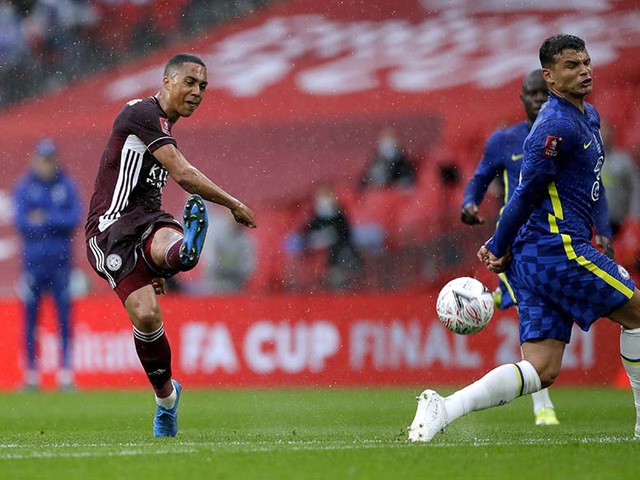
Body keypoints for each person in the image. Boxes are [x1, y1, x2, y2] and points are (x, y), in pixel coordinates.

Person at [409, 34, 640, 442]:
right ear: (550, 77)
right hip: (559, 249)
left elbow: (589, 187)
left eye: (586, 62)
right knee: (639, 315)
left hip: (535, 257)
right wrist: (498, 244)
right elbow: (526, 193)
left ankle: (444, 408)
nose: (584, 70)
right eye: (572, 65)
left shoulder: (589, 116)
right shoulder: (553, 127)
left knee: (542, 367)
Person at [85, 53, 256, 437]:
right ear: (166, 82)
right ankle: (166, 400)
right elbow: (184, 174)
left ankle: (179, 254)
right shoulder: (142, 115)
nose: (197, 92)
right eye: (190, 83)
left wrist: (155, 266)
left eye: (203, 87)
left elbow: (155, 188)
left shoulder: (163, 127)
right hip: (109, 230)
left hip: (147, 220)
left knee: (172, 246)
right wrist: (233, 204)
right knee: (146, 317)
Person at [461, 69, 563, 426]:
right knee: (527, 311)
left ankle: (487, 302)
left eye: (543, 94)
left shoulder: (562, 134)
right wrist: (470, 203)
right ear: (521, 99)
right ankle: (542, 406)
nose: (537, 99)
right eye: (531, 94)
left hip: (559, 240)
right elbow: (479, 178)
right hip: (516, 246)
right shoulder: (504, 141)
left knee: (532, 311)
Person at [13, 138, 82, 390]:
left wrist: (44, 217)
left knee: (64, 318)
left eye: (50, 158)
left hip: (61, 264)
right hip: (33, 265)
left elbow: (73, 218)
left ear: (56, 160)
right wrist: (53, 220)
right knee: (30, 320)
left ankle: (66, 374)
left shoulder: (67, 185)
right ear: (34, 159)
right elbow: (21, 222)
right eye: (42, 159)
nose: (46, 164)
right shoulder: (24, 186)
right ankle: (31, 375)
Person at [301, 183, 362, 289]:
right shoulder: (314, 212)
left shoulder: (338, 212)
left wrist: (331, 235)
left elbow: (345, 231)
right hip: (317, 242)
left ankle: (334, 273)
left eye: (326, 195)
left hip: (338, 242)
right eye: (321, 195)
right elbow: (307, 229)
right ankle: (318, 276)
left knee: (336, 248)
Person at [600, 123, 640, 238]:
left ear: (613, 136)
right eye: (602, 133)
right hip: (592, 218)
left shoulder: (623, 161)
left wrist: (635, 213)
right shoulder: (588, 158)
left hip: (616, 219)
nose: (605, 136)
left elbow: (635, 187)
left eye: (607, 133)